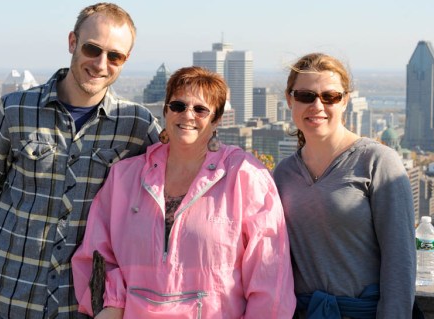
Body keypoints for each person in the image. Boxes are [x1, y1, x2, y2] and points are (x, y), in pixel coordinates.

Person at [0, 2, 161, 319]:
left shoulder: (136, 125)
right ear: (72, 42)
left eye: (115, 56)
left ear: (126, 60)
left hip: (81, 306)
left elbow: (177, 176)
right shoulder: (16, 109)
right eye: (92, 49)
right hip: (10, 297)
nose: (101, 64)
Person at [71, 66, 296, 319]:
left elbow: (270, 280)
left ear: (217, 119)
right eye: (178, 106)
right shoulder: (125, 177)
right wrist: (112, 304)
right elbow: (96, 256)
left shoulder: (245, 177)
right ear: (166, 111)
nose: (188, 115)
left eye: (200, 109)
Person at [273, 53, 416, 318]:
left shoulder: (378, 162)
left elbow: (400, 264)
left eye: (330, 96)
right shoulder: (282, 174)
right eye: (306, 96)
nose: (317, 105)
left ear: (345, 101)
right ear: (289, 99)